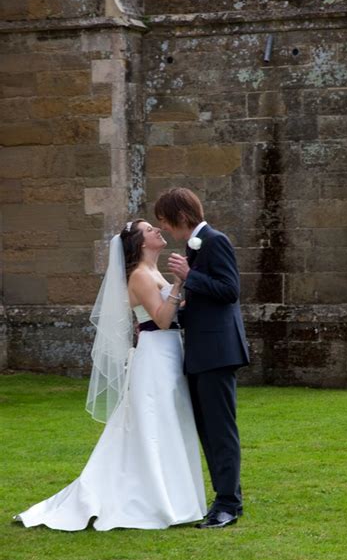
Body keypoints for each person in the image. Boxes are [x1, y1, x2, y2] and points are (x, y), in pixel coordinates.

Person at [14, 220, 206, 531]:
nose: (158, 230)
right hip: (157, 352)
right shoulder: (141, 275)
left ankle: (177, 495)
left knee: (170, 420)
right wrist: (180, 286)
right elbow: (160, 320)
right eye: (150, 230)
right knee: (156, 424)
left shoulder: (152, 272)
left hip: (169, 351)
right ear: (140, 243)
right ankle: (157, 499)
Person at [155, 188, 250, 529]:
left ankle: (228, 504)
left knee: (220, 430)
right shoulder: (195, 246)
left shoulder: (214, 241)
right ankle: (223, 499)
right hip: (200, 351)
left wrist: (188, 275)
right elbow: (205, 302)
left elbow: (230, 290)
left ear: (181, 216)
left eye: (165, 222)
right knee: (207, 431)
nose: (164, 229)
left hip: (217, 352)